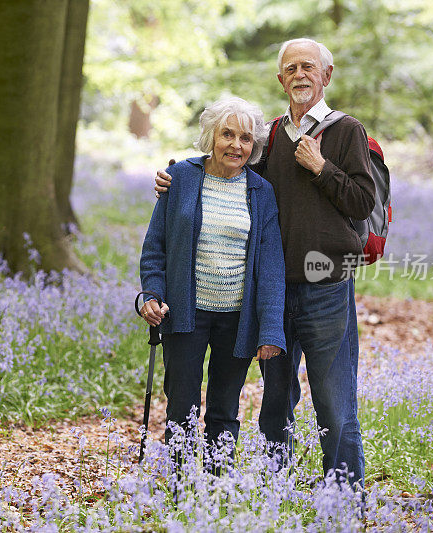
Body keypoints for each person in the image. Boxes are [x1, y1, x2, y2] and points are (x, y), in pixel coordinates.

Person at [155, 39, 375, 489]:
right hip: (271, 294)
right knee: (276, 401)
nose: (299, 75)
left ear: (326, 76)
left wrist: (321, 166)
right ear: (281, 79)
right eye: (291, 68)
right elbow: (226, 165)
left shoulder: (345, 130)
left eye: (308, 67)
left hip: (325, 286)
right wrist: (173, 178)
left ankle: (347, 500)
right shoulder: (270, 135)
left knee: (334, 401)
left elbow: (362, 200)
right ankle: (279, 492)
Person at [139, 96, 286, 463]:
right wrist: (150, 295)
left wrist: (270, 330)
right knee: (181, 408)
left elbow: (270, 267)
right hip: (184, 313)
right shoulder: (181, 177)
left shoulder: (261, 192)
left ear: (254, 146)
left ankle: (215, 490)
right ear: (211, 136)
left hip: (236, 320)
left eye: (246, 138)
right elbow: (155, 246)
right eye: (228, 135)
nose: (237, 145)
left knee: (224, 410)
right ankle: (180, 489)